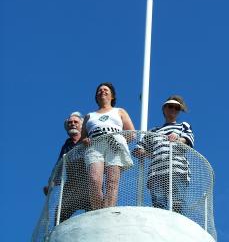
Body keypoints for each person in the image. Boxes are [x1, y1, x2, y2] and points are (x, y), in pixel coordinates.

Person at [134, 95, 194, 214]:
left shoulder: (183, 126)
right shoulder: (153, 131)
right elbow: (137, 149)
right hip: (156, 172)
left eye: (177, 108)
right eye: (170, 106)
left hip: (177, 170)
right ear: (164, 109)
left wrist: (177, 138)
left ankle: (176, 228)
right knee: (158, 205)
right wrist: (148, 154)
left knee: (177, 202)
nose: (173, 109)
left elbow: (189, 140)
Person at [81, 82, 135, 210]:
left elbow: (131, 133)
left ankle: (107, 210)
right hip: (95, 146)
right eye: (99, 90)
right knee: (94, 180)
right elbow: (83, 137)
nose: (102, 92)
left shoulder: (119, 111)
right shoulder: (89, 116)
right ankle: (97, 210)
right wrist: (84, 140)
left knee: (112, 181)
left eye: (106, 90)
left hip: (114, 145)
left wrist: (119, 141)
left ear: (112, 96)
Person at [43, 111, 91, 223]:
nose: (72, 124)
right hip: (71, 186)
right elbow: (59, 165)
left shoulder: (89, 138)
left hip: (88, 183)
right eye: (70, 123)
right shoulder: (67, 145)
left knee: (94, 213)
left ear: (82, 125)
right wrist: (52, 183)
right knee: (59, 217)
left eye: (75, 122)